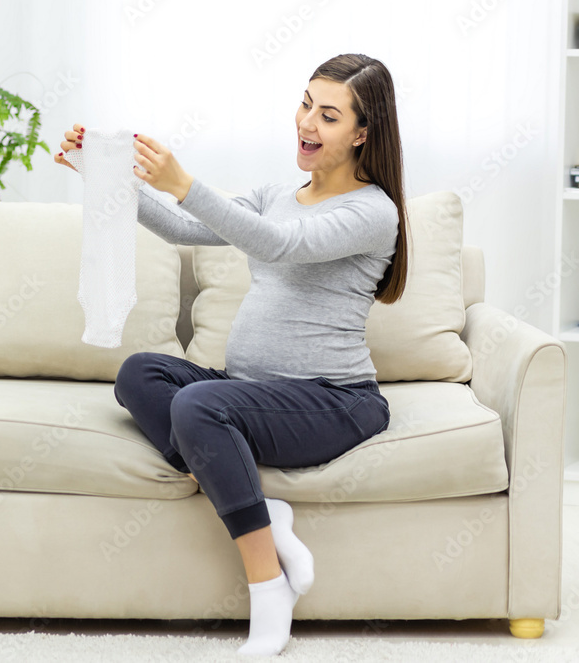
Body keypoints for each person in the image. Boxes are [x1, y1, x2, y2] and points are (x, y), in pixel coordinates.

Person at [54, 52, 409, 657]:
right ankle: (266, 511)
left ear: (362, 133)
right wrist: (101, 175)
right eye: (305, 104)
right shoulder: (277, 192)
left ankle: (268, 585)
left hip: (335, 402)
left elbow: (282, 243)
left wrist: (186, 183)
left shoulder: (373, 212)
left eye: (328, 115)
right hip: (249, 389)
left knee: (197, 407)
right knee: (140, 373)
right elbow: (184, 230)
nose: (307, 123)